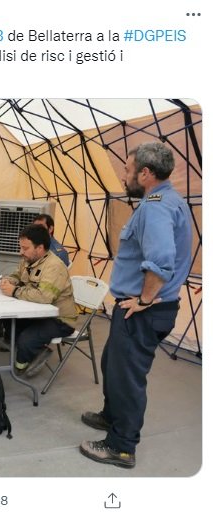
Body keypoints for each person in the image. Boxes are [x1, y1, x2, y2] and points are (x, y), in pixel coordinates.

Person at [79, 142, 192, 469]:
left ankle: (121, 446)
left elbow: (161, 261)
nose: (123, 176)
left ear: (145, 173)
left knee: (126, 378)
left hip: (142, 311)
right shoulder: (171, 200)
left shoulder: (155, 207)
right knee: (112, 363)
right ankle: (111, 415)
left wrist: (144, 300)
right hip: (144, 308)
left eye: (127, 170)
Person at [0, 224, 78, 376]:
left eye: (25, 248)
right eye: (21, 247)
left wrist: (14, 291)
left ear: (40, 248)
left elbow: (45, 296)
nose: (21, 252)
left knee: (26, 339)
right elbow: (17, 275)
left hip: (60, 319)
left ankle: (21, 367)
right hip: (40, 313)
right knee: (7, 318)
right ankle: (37, 350)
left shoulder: (54, 266)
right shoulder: (29, 259)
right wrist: (9, 281)